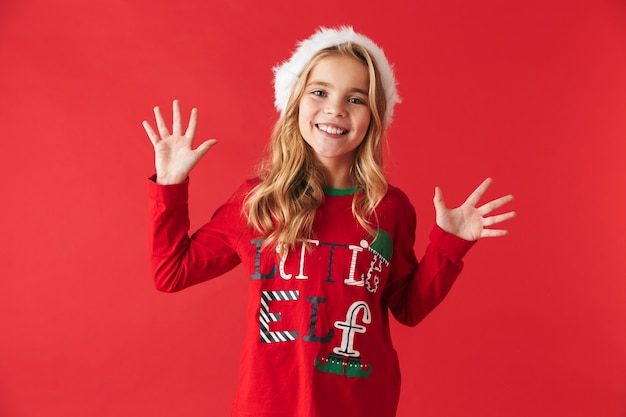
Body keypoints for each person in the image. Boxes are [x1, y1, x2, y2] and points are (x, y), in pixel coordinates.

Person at [143, 26, 515, 417]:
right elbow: (171, 273)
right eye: (319, 92)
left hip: (359, 405)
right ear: (295, 103)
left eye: (355, 99)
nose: (335, 109)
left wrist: (449, 244)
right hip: (269, 404)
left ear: (373, 117)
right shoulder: (258, 201)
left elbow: (408, 306)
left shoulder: (389, 208)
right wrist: (170, 184)